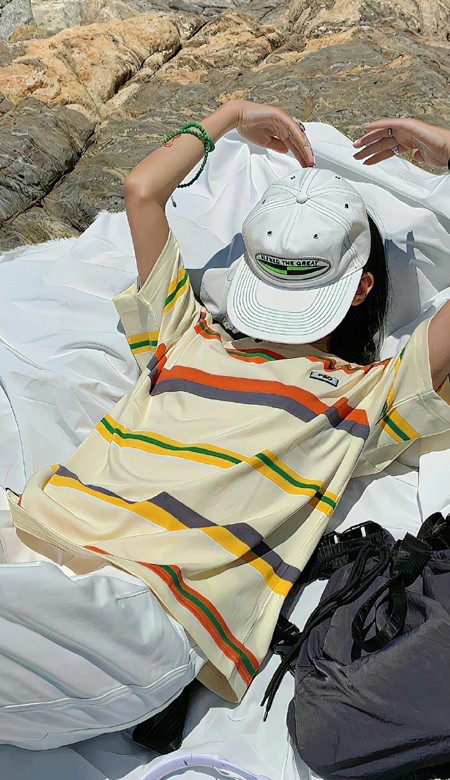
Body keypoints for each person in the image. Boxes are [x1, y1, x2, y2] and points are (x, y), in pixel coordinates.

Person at [3, 102, 450, 751]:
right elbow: (141, 191)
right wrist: (234, 112)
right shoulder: (188, 332)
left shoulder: (369, 391)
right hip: (31, 536)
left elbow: (143, 190)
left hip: (147, 610)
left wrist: (232, 116)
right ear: (356, 288)